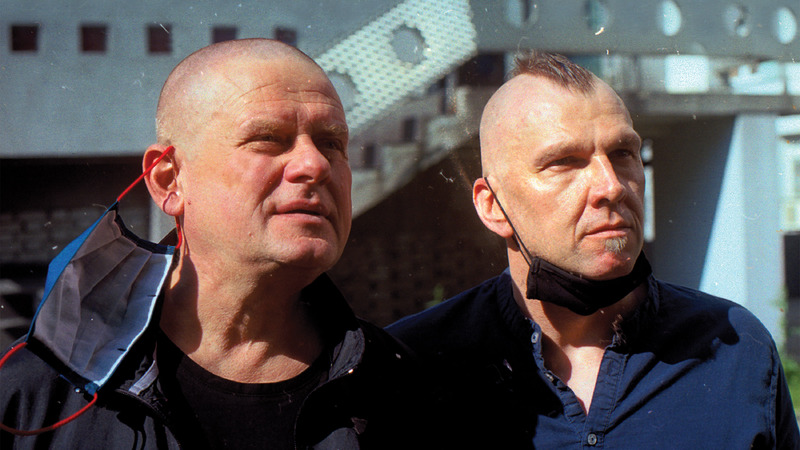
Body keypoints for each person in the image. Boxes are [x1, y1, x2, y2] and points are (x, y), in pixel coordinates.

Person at [1, 38, 421, 449]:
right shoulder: (35, 396)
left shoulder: (406, 393)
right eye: (268, 138)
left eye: (332, 143)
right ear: (169, 180)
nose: (315, 164)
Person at [388, 50, 800, 448]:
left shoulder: (736, 348)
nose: (612, 186)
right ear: (492, 205)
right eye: (564, 162)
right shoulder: (409, 366)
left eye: (623, 153)